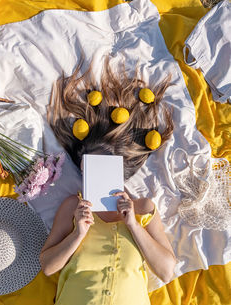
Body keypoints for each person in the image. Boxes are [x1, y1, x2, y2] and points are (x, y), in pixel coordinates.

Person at [40, 57, 176, 305]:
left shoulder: (144, 208)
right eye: (86, 169)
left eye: (99, 167)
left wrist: (134, 225)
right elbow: (49, 267)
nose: (90, 175)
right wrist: (78, 234)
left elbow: (167, 270)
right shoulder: (72, 207)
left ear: (118, 169)